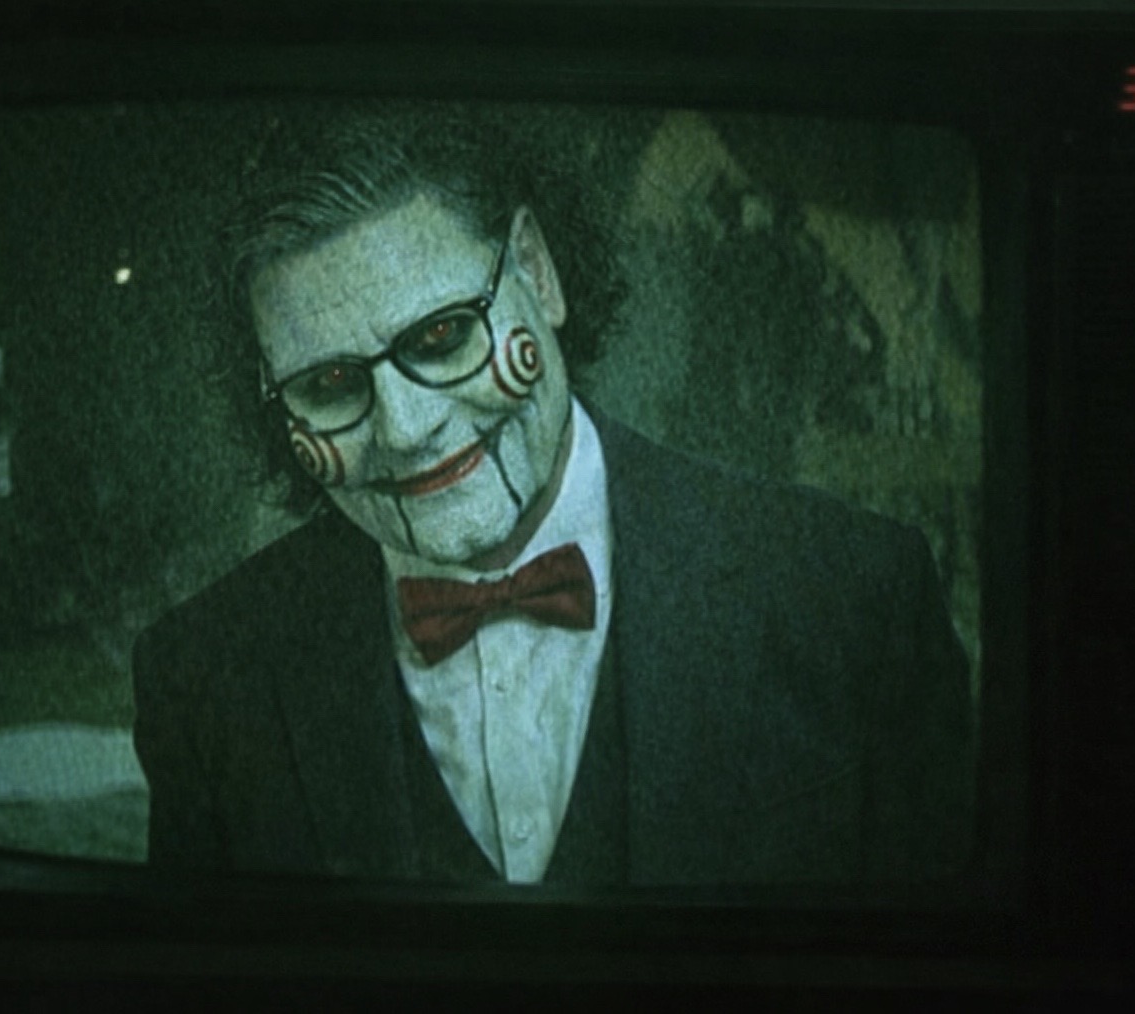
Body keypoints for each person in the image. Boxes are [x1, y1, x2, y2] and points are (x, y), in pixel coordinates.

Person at [132, 114, 975, 886]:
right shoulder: (201, 676)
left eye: (442, 335)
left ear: (537, 272)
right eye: (329, 385)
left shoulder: (856, 598)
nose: (407, 429)